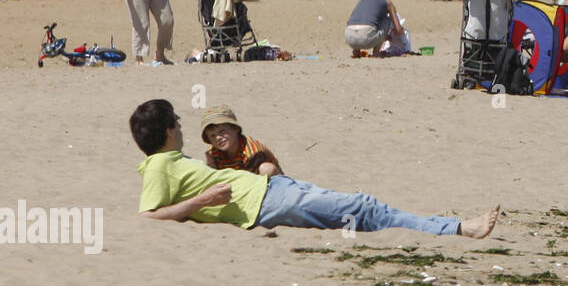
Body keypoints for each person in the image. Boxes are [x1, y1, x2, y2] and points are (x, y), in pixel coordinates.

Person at [131, 99, 498, 238]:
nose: (181, 129)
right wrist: (204, 200)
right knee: (364, 207)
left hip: (270, 193)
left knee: (361, 209)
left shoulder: (173, 162)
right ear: (168, 131)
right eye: (177, 124)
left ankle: (452, 227)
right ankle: (458, 228)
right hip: (266, 203)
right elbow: (148, 217)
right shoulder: (159, 167)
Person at [200, 105, 282, 176]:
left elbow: (252, 181)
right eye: (212, 135)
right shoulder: (212, 153)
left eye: (222, 131)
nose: (218, 138)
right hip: (234, 181)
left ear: (235, 129)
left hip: (259, 182)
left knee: (266, 169)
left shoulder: (252, 152)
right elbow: (212, 176)